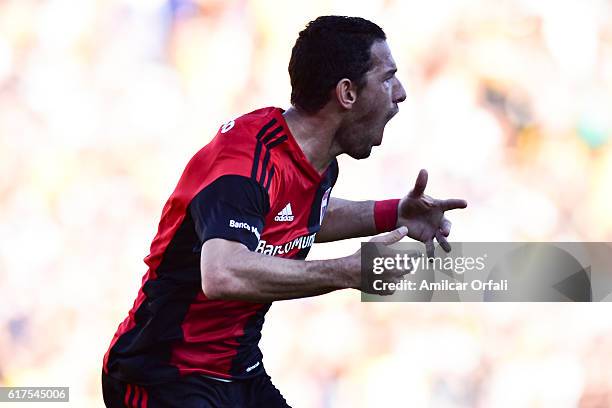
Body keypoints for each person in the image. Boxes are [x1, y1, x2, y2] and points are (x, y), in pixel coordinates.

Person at [102, 15, 467, 408]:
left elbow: (291, 218)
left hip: (237, 372)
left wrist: (394, 213)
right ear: (346, 93)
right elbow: (222, 272)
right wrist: (347, 271)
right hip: (163, 376)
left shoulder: (319, 161)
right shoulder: (245, 161)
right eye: (387, 78)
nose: (401, 93)